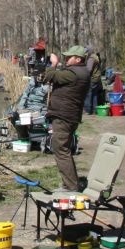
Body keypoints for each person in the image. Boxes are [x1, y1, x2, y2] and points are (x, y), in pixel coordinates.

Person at [41, 45, 91, 191]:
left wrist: (54, 64)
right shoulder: (81, 72)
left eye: (69, 57)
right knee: (64, 149)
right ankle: (71, 182)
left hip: (64, 116)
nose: (67, 59)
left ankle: (70, 186)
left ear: (78, 59)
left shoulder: (74, 74)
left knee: (61, 150)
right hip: (69, 115)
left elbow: (49, 76)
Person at [84, 48, 105, 115]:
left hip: (92, 78)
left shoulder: (91, 59)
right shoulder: (96, 57)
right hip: (97, 78)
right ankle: (94, 110)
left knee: (88, 94)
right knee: (94, 95)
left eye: (86, 52)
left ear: (88, 52)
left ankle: (87, 110)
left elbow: (89, 70)